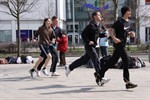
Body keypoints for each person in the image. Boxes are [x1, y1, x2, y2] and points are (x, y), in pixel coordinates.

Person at [95, 6, 138, 89]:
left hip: (123, 44)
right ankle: (127, 81)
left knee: (112, 61)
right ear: (125, 12)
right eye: (129, 11)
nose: (130, 12)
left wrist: (131, 34)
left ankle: (99, 73)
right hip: (119, 45)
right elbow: (110, 30)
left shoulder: (128, 22)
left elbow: (125, 32)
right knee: (126, 60)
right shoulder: (119, 21)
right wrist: (114, 38)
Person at [65, 11, 110, 85]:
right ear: (94, 16)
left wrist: (104, 35)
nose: (100, 16)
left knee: (84, 60)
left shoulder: (98, 25)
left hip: (94, 46)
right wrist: (88, 41)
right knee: (96, 59)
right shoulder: (91, 25)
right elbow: (83, 34)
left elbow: (97, 35)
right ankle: (100, 78)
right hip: (89, 46)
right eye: (99, 15)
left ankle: (69, 67)